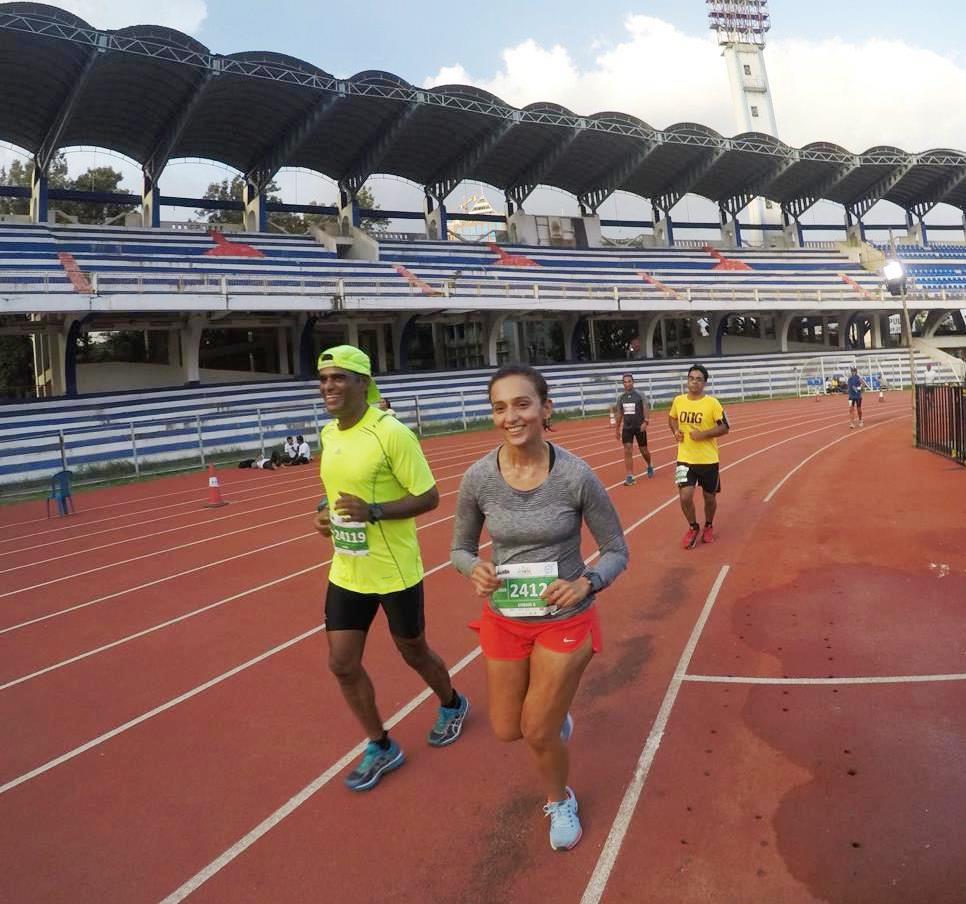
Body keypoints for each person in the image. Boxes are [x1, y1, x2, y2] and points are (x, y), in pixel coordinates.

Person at [451, 364, 628, 851]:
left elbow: (617, 550)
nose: (511, 416)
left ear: (545, 409)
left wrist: (587, 583)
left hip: (564, 618)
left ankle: (559, 799)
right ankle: (553, 716)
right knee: (507, 729)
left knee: (536, 731)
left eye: (522, 404)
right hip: (506, 617)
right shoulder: (478, 478)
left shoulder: (576, 476)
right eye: (499, 407)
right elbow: (460, 549)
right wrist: (474, 569)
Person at [314, 344, 469, 792]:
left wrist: (374, 511)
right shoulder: (328, 434)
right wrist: (323, 513)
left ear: (362, 382)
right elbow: (335, 491)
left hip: (394, 569)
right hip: (348, 568)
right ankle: (381, 745)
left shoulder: (391, 433)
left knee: (413, 651)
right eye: (323, 379)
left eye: (339, 377)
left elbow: (429, 496)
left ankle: (452, 703)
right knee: (342, 664)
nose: (329, 387)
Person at [668, 363, 730, 549]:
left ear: (704, 383)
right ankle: (693, 527)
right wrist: (676, 431)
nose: (694, 382)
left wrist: (703, 435)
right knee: (684, 497)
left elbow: (725, 427)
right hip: (684, 458)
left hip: (708, 460)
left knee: (709, 498)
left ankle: (708, 525)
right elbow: (672, 418)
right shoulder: (679, 401)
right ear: (687, 380)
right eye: (691, 378)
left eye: (698, 379)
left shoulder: (712, 403)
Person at [615, 372, 653, 485]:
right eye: (625, 382)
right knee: (627, 450)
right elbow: (619, 413)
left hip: (639, 427)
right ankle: (630, 475)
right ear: (623, 384)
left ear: (633, 382)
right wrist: (617, 429)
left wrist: (646, 422)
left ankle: (649, 464)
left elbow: (646, 407)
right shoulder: (621, 398)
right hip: (627, 428)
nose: (627, 384)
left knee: (644, 450)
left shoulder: (640, 395)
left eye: (629, 381)